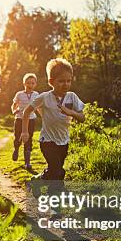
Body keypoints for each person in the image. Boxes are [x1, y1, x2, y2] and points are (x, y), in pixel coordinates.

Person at [20, 58, 84, 194]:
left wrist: (71, 112)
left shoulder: (72, 97)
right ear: (51, 82)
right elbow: (26, 112)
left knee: (55, 170)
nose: (65, 84)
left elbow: (82, 117)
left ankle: (37, 181)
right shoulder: (44, 97)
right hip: (47, 141)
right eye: (61, 81)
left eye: (68, 80)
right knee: (57, 171)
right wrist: (25, 132)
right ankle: (54, 200)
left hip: (64, 141)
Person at [11, 73, 39, 170]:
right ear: (24, 83)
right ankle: (16, 148)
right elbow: (14, 105)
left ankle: (27, 163)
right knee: (17, 136)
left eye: (32, 83)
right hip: (19, 119)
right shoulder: (19, 94)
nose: (30, 85)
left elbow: (39, 107)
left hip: (31, 119)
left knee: (28, 138)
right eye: (28, 83)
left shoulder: (36, 95)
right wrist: (14, 111)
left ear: (35, 84)